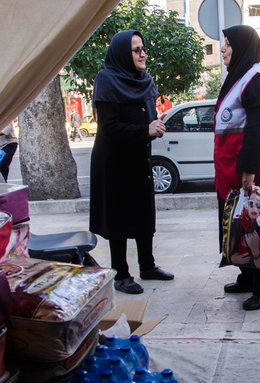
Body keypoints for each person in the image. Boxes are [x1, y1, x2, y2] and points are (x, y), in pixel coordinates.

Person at [89, 30, 174, 295]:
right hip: (113, 162)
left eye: (143, 48)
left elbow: (148, 116)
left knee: (143, 213)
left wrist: (156, 125)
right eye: (136, 50)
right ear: (123, 53)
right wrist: (145, 130)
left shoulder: (144, 80)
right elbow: (109, 127)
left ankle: (147, 266)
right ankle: (121, 274)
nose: (142, 54)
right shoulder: (107, 80)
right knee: (119, 218)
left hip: (138, 157)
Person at [215, 25, 260, 311]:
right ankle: (247, 277)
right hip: (233, 171)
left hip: (255, 172)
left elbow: (257, 129)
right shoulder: (240, 77)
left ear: (242, 47)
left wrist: (247, 170)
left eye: (228, 44)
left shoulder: (256, 78)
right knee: (239, 228)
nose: (222, 49)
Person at [229, 189, 260, 272]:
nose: (254, 208)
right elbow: (229, 253)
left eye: (259, 204)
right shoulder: (235, 226)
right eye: (251, 203)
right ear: (246, 205)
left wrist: (255, 250)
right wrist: (232, 259)